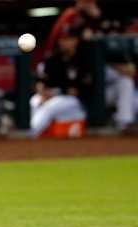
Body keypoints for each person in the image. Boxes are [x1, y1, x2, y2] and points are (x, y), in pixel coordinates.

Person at [45, 0, 136, 132]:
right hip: (81, 83)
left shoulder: (99, 17)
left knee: (125, 82)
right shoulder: (72, 15)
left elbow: (109, 42)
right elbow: (62, 39)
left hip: (98, 79)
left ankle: (124, 123)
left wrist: (96, 18)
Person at [30, 26, 89, 137]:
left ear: (75, 40)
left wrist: (54, 93)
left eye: (67, 39)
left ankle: (30, 134)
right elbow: (41, 81)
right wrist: (42, 93)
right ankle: (35, 131)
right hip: (53, 96)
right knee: (34, 101)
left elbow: (76, 90)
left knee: (50, 105)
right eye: (62, 39)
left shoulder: (82, 59)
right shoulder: (53, 59)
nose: (63, 43)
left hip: (74, 101)